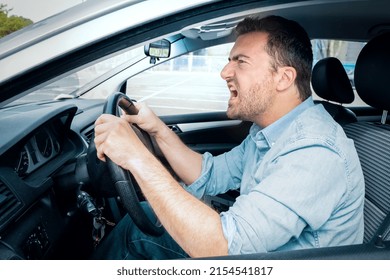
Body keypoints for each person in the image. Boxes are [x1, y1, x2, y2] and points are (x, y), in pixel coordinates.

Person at [92, 15, 364, 259]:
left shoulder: (313, 150)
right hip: (257, 257)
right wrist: (158, 130)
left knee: (136, 234)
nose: (225, 72)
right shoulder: (270, 132)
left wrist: (137, 158)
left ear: (284, 78)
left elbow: (222, 248)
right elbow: (208, 174)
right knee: (143, 221)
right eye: (229, 61)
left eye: (241, 62)